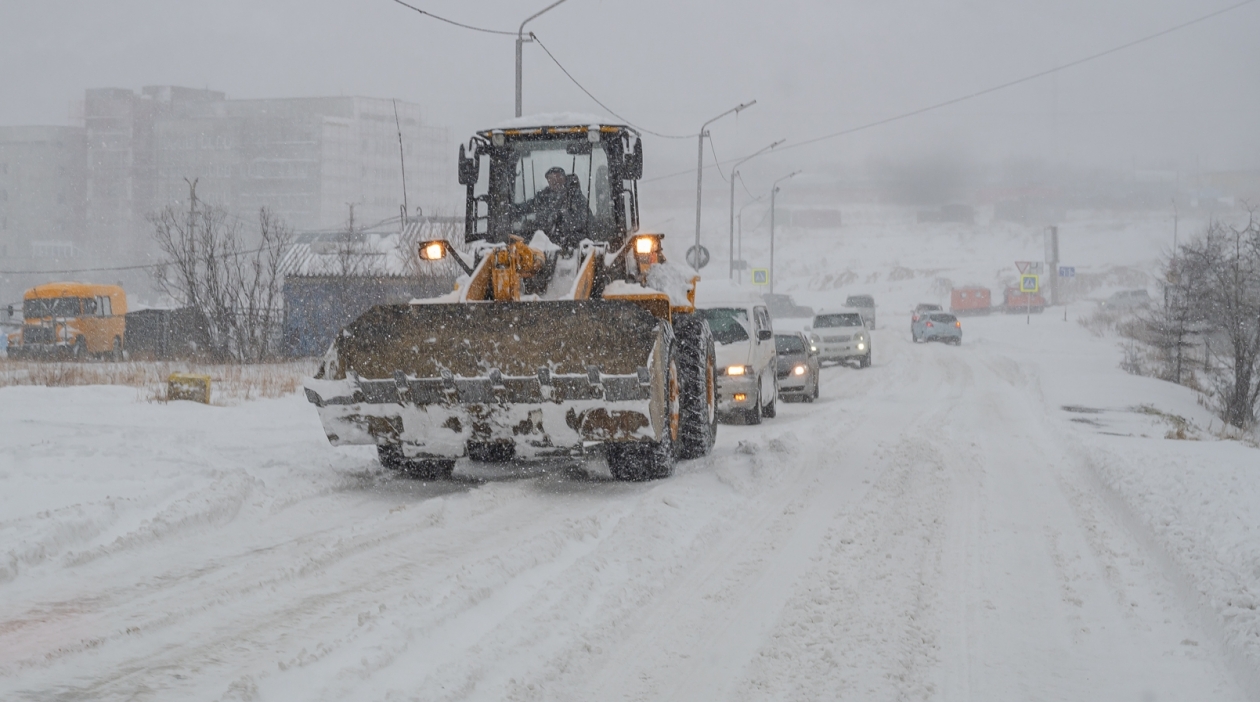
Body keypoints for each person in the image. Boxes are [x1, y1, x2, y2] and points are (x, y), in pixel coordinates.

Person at [515, 166, 590, 250]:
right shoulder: (543, 197)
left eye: (558, 177)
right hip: (542, 246)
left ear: (564, 178)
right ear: (548, 181)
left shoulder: (575, 198)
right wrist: (514, 210)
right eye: (551, 178)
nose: (555, 181)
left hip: (572, 246)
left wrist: (566, 217)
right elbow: (525, 207)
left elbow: (586, 221)